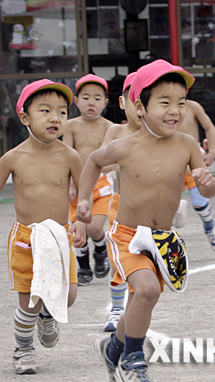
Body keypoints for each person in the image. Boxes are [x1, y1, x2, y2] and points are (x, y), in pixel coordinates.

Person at [76, 59, 215, 382]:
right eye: (165, 102)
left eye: (181, 103)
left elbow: (206, 187)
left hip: (161, 240)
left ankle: (112, 350)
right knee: (147, 291)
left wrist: (208, 183)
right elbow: (93, 161)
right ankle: (133, 360)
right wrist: (84, 199)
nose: (175, 110)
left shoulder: (186, 145)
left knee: (140, 302)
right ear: (140, 107)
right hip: (127, 235)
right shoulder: (125, 146)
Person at [0, 79, 87, 374]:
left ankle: (48, 314)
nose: (55, 118)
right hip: (26, 238)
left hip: (59, 235)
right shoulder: (13, 158)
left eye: (62, 112)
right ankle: (23, 349)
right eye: (45, 110)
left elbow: (83, 195)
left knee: (67, 296)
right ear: (25, 118)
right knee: (28, 301)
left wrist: (81, 221)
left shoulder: (70, 156)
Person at [64, 74, 113, 285]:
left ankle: (101, 248)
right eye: (85, 97)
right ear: (76, 101)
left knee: (93, 228)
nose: (91, 102)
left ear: (106, 102)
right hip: (76, 184)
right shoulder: (70, 125)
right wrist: (68, 183)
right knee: (76, 230)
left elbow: (113, 160)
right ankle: (83, 267)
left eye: (97, 97)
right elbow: (66, 154)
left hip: (100, 184)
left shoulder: (109, 127)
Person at [99, 72, 139, 332]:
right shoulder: (116, 130)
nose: (137, 106)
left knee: (143, 268)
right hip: (120, 206)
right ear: (123, 103)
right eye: (131, 99)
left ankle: (132, 314)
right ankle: (115, 309)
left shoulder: (160, 134)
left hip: (148, 212)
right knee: (119, 262)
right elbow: (102, 163)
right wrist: (123, 160)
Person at [174, 99, 215, 252]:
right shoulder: (159, 107)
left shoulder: (193, 106)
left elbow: (209, 128)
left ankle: (210, 227)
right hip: (168, 156)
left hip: (193, 156)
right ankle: (169, 244)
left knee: (200, 204)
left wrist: (212, 153)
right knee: (166, 204)